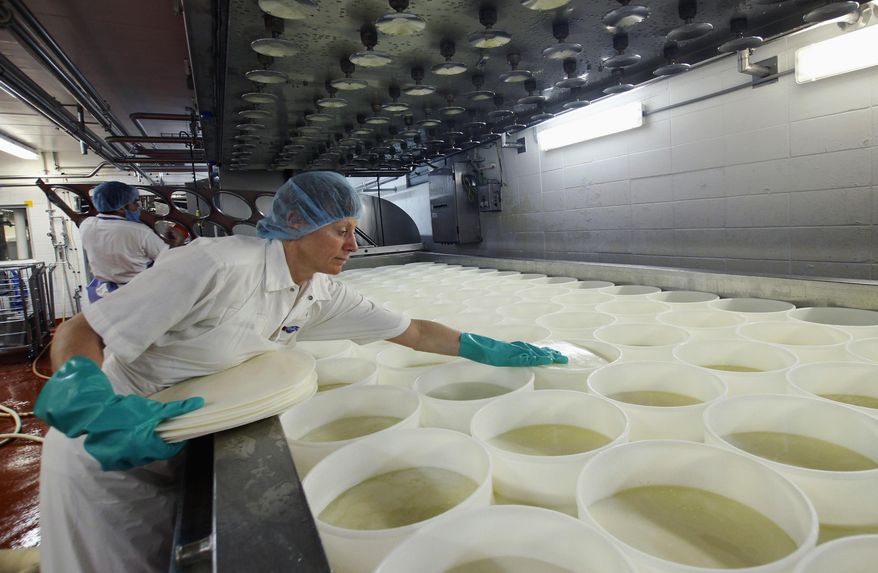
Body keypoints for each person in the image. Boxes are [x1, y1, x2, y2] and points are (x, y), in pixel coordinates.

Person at [34, 171, 567, 573]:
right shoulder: (216, 265)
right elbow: (82, 330)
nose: (353, 246)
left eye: (354, 231)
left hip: (178, 434)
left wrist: (492, 348)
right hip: (104, 445)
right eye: (341, 231)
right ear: (298, 225)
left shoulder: (318, 293)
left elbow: (417, 332)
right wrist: (90, 399)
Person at [80, 181, 182, 303]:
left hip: (102, 295)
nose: (137, 207)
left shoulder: (86, 225)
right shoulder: (139, 231)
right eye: (134, 202)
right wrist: (178, 240)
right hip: (135, 295)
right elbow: (168, 260)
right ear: (121, 208)